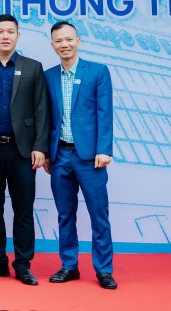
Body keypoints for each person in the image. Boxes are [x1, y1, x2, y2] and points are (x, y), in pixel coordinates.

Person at [0, 14, 50, 286]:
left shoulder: (33, 67)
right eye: (0, 32)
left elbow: (42, 109)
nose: (5, 36)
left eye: (10, 32)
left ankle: (23, 263)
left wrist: (40, 147)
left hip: (23, 151)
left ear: (18, 35)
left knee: (23, 208)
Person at [43, 21, 117, 290]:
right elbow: (46, 117)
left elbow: (104, 112)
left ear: (78, 41)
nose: (64, 44)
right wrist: (46, 152)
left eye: (69, 39)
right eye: (58, 41)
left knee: (99, 215)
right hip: (59, 155)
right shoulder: (48, 76)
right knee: (65, 215)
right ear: (52, 45)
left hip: (90, 157)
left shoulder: (97, 71)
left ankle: (104, 270)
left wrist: (104, 149)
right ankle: (69, 265)